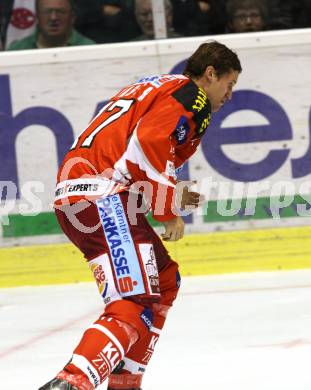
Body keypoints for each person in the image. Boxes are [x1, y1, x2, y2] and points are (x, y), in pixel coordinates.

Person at [39, 40, 242, 390]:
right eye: (230, 84)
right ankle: (72, 382)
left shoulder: (155, 85)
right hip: (102, 198)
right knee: (134, 299)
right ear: (210, 74)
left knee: (164, 279)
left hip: (82, 197)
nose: (230, 94)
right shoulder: (190, 95)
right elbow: (150, 143)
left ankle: (124, 381)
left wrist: (171, 191)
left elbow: (128, 151)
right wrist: (167, 210)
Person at [7, 0, 94, 50]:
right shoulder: (17, 50)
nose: (53, 18)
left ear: (72, 17)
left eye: (61, 12)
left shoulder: (89, 48)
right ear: (37, 16)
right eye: (46, 12)